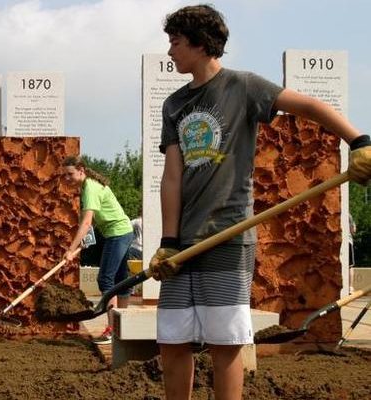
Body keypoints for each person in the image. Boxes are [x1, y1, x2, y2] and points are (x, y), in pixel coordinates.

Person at [148, 5, 371, 400]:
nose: (170, 52)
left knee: (225, 342)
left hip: (228, 237)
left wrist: (359, 141)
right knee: (172, 340)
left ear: (200, 44)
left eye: (176, 43)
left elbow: (308, 106)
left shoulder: (244, 87)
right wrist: (168, 240)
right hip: (183, 245)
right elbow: (172, 177)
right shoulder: (174, 104)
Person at [62, 156, 134, 344]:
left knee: (105, 279)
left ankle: (112, 330)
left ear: (81, 170)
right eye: (65, 176)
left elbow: (86, 222)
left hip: (117, 233)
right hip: (123, 231)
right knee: (120, 281)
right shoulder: (88, 186)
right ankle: (123, 328)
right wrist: (86, 239)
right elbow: (90, 220)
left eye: (70, 174)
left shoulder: (90, 189)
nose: (67, 179)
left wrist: (71, 249)